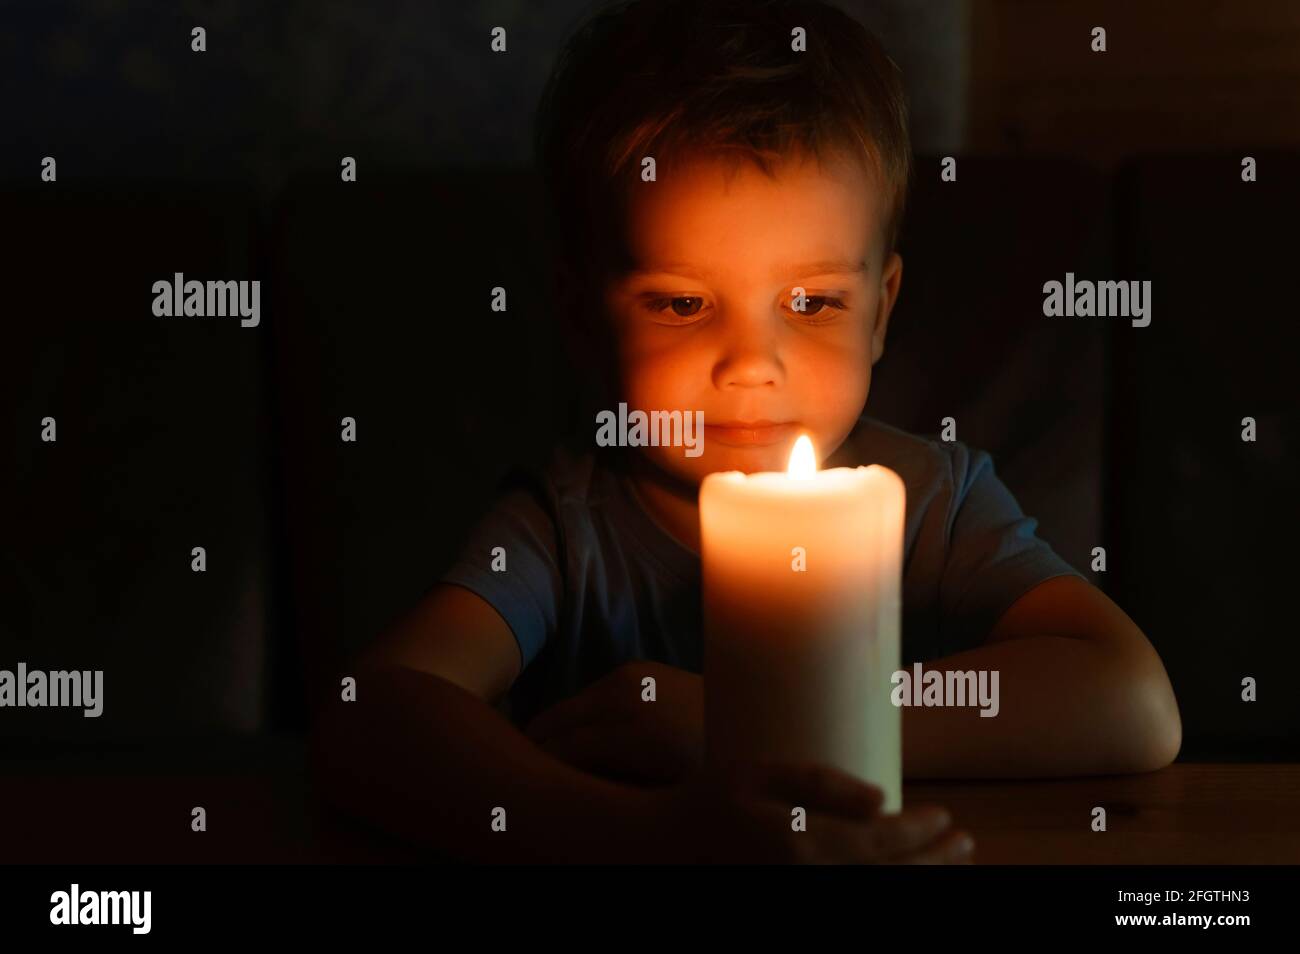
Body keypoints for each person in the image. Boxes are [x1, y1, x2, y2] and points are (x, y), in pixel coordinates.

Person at [312, 0, 1181, 863]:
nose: (751, 366)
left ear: (880, 313)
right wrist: (642, 836)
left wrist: (753, 725)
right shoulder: (566, 528)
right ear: (581, 318)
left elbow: (1132, 701)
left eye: (812, 302)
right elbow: (370, 711)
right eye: (683, 304)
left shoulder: (934, 507)